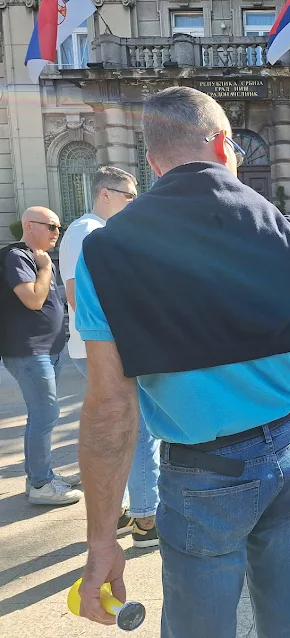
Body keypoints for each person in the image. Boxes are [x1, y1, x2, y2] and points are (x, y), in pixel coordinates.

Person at [73, 87, 290, 637]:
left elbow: (111, 407)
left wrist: (101, 541)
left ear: (153, 161)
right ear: (226, 145)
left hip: (204, 472)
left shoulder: (107, 252)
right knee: (285, 619)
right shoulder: (289, 233)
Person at [59, 166, 161, 548]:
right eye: (129, 195)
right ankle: (147, 518)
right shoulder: (89, 232)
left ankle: (122, 512)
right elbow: (76, 295)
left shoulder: (89, 231)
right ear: (106, 193)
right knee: (135, 431)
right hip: (104, 348)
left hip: (99, 346)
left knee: (120, 431)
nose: (133, 203)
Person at [0, 207, 82, 505]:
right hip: (29, 352)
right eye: (50, 226)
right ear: (28, 225)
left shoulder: (38, 258)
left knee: (40, 415)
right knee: (45, 414)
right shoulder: (18, 256)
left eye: (58, 227)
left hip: (49, 350)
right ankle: (40, 484)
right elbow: (33, 300)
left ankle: (40, 475)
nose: (56, 232)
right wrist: (45, 268)